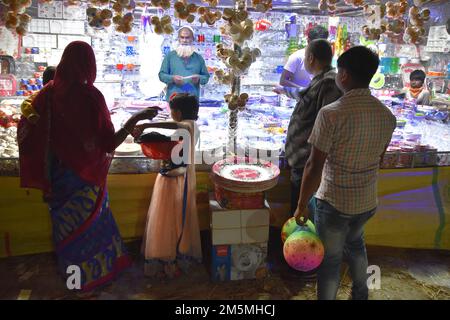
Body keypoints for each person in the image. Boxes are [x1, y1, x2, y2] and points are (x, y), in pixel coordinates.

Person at [17, 41, 160, 291]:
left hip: (59, 179)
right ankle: (93, 279)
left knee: (68, 233)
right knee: (89, 229)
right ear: (89, 64)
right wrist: (136, 118)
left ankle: (74, 281)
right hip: (86, 181)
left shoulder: (47, 94)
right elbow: (107, 143)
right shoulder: (90, 97)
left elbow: (27, 126)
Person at [294, 46, 396, 300]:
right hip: (366, 201)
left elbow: (313, 166)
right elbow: (378, 159)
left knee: (330, 260)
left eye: (339, 71)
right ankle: (361, 293)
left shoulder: (331, 114)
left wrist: (301, 205)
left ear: (345, 76)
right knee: (356, 245)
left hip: (335, 202)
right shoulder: (386, 115)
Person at [133, 93, 202, 279]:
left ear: (177, 112)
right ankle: (173, 256)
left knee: (168, 219)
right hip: (175, 177)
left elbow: (177, 127)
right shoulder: (192, 126)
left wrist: (147, 125)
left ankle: (168, 256)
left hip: (176, 180)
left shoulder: (188, 126)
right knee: (174, 218)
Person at [276, 39, 342, 215]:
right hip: (302, 160)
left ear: (311, 58)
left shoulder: (329, 83)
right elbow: (304, 96)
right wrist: (285, 91)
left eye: (305, 57)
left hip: (308, 160)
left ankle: (301, 240)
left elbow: (326, 124)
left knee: (303, 214)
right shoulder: (321, 80)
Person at [159, 26, 210, 101]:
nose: (184, 40)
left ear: (192, 39)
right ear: (178, 39)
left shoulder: (198, 58)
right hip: (173, 100)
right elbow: (161, 75)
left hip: (192, 100)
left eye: (187, 37)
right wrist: (172, 78)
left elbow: (206, 77)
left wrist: (199, 78)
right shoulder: (170, 56)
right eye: (182, 37)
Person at [279, 25, 329, 89]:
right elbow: (283, 80)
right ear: (308, 41)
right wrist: (303, 90)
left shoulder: (325, 58)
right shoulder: (297, 57)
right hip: (298, 97)